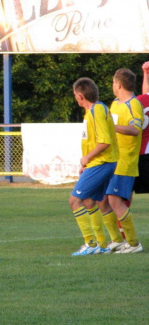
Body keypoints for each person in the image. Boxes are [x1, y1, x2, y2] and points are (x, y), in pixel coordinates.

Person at [68, 77, 117, 256]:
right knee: (89, 201)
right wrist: (86, 163)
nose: (75, 99)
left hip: (102, 163)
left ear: (80, 96)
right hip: (98, 163)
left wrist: (86, 158)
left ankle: (90, 243)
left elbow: (104, 142)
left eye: (75, 95)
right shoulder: (95, 110)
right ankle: (102, 244)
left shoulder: (96, 111)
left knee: (74, 201)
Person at [97, 68, 143, 253]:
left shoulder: (134, 104)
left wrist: (112, 126)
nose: (112, 86)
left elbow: (135, 130)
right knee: (102, 200)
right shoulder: (115, 103)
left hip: (125, 161)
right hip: (111, 160)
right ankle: (116, 239)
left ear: (118, 84)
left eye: (113, 83)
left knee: (115, 200)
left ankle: (133, 244)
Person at [133, 62, 149, 195]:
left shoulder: (138, 100)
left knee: (126, 192)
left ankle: (122, 216)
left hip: (139, 150)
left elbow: (146, 94)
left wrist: (145, 73)